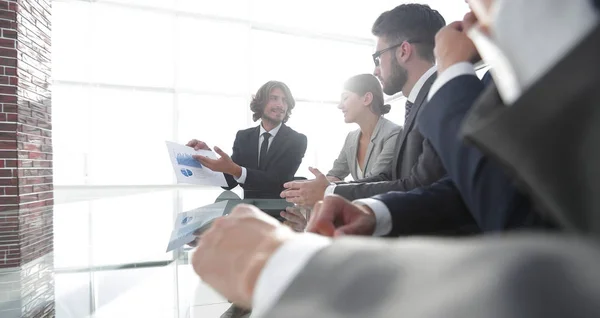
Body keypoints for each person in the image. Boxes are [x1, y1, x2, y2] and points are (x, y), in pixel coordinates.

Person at [190, 0, 600, 317]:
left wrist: (292, 267)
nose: (474, 21)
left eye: (376, 57)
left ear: (401, 51)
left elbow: (503, 214)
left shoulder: (454, 89)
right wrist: (372, 210)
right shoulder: (475, 85)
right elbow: (464, 188)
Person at [280, 4, 447, 208]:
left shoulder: (441, 96)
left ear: (404, 51)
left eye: (378, 57)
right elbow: (392, 175)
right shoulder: (422, 100)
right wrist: (327, 190)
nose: (376, 71)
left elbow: (419, 186)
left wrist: (330, 192)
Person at [188, 81, 307, 199]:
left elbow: (278, 183)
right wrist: (207, 155)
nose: (281, 105)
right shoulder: (243, 137)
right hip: (245, 212)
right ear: (261, 103)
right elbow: (229, 183)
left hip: (279, 214)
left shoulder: (297, 140)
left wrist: (237, 171)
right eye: (274, 98)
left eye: (285, 100)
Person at [326, 74, 401, 182]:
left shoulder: (394, 134)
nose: (340, 106)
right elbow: (335, 174)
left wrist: (329, 187)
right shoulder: (351, 138)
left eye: (345, 98)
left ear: (366, 99)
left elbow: (372, 183)